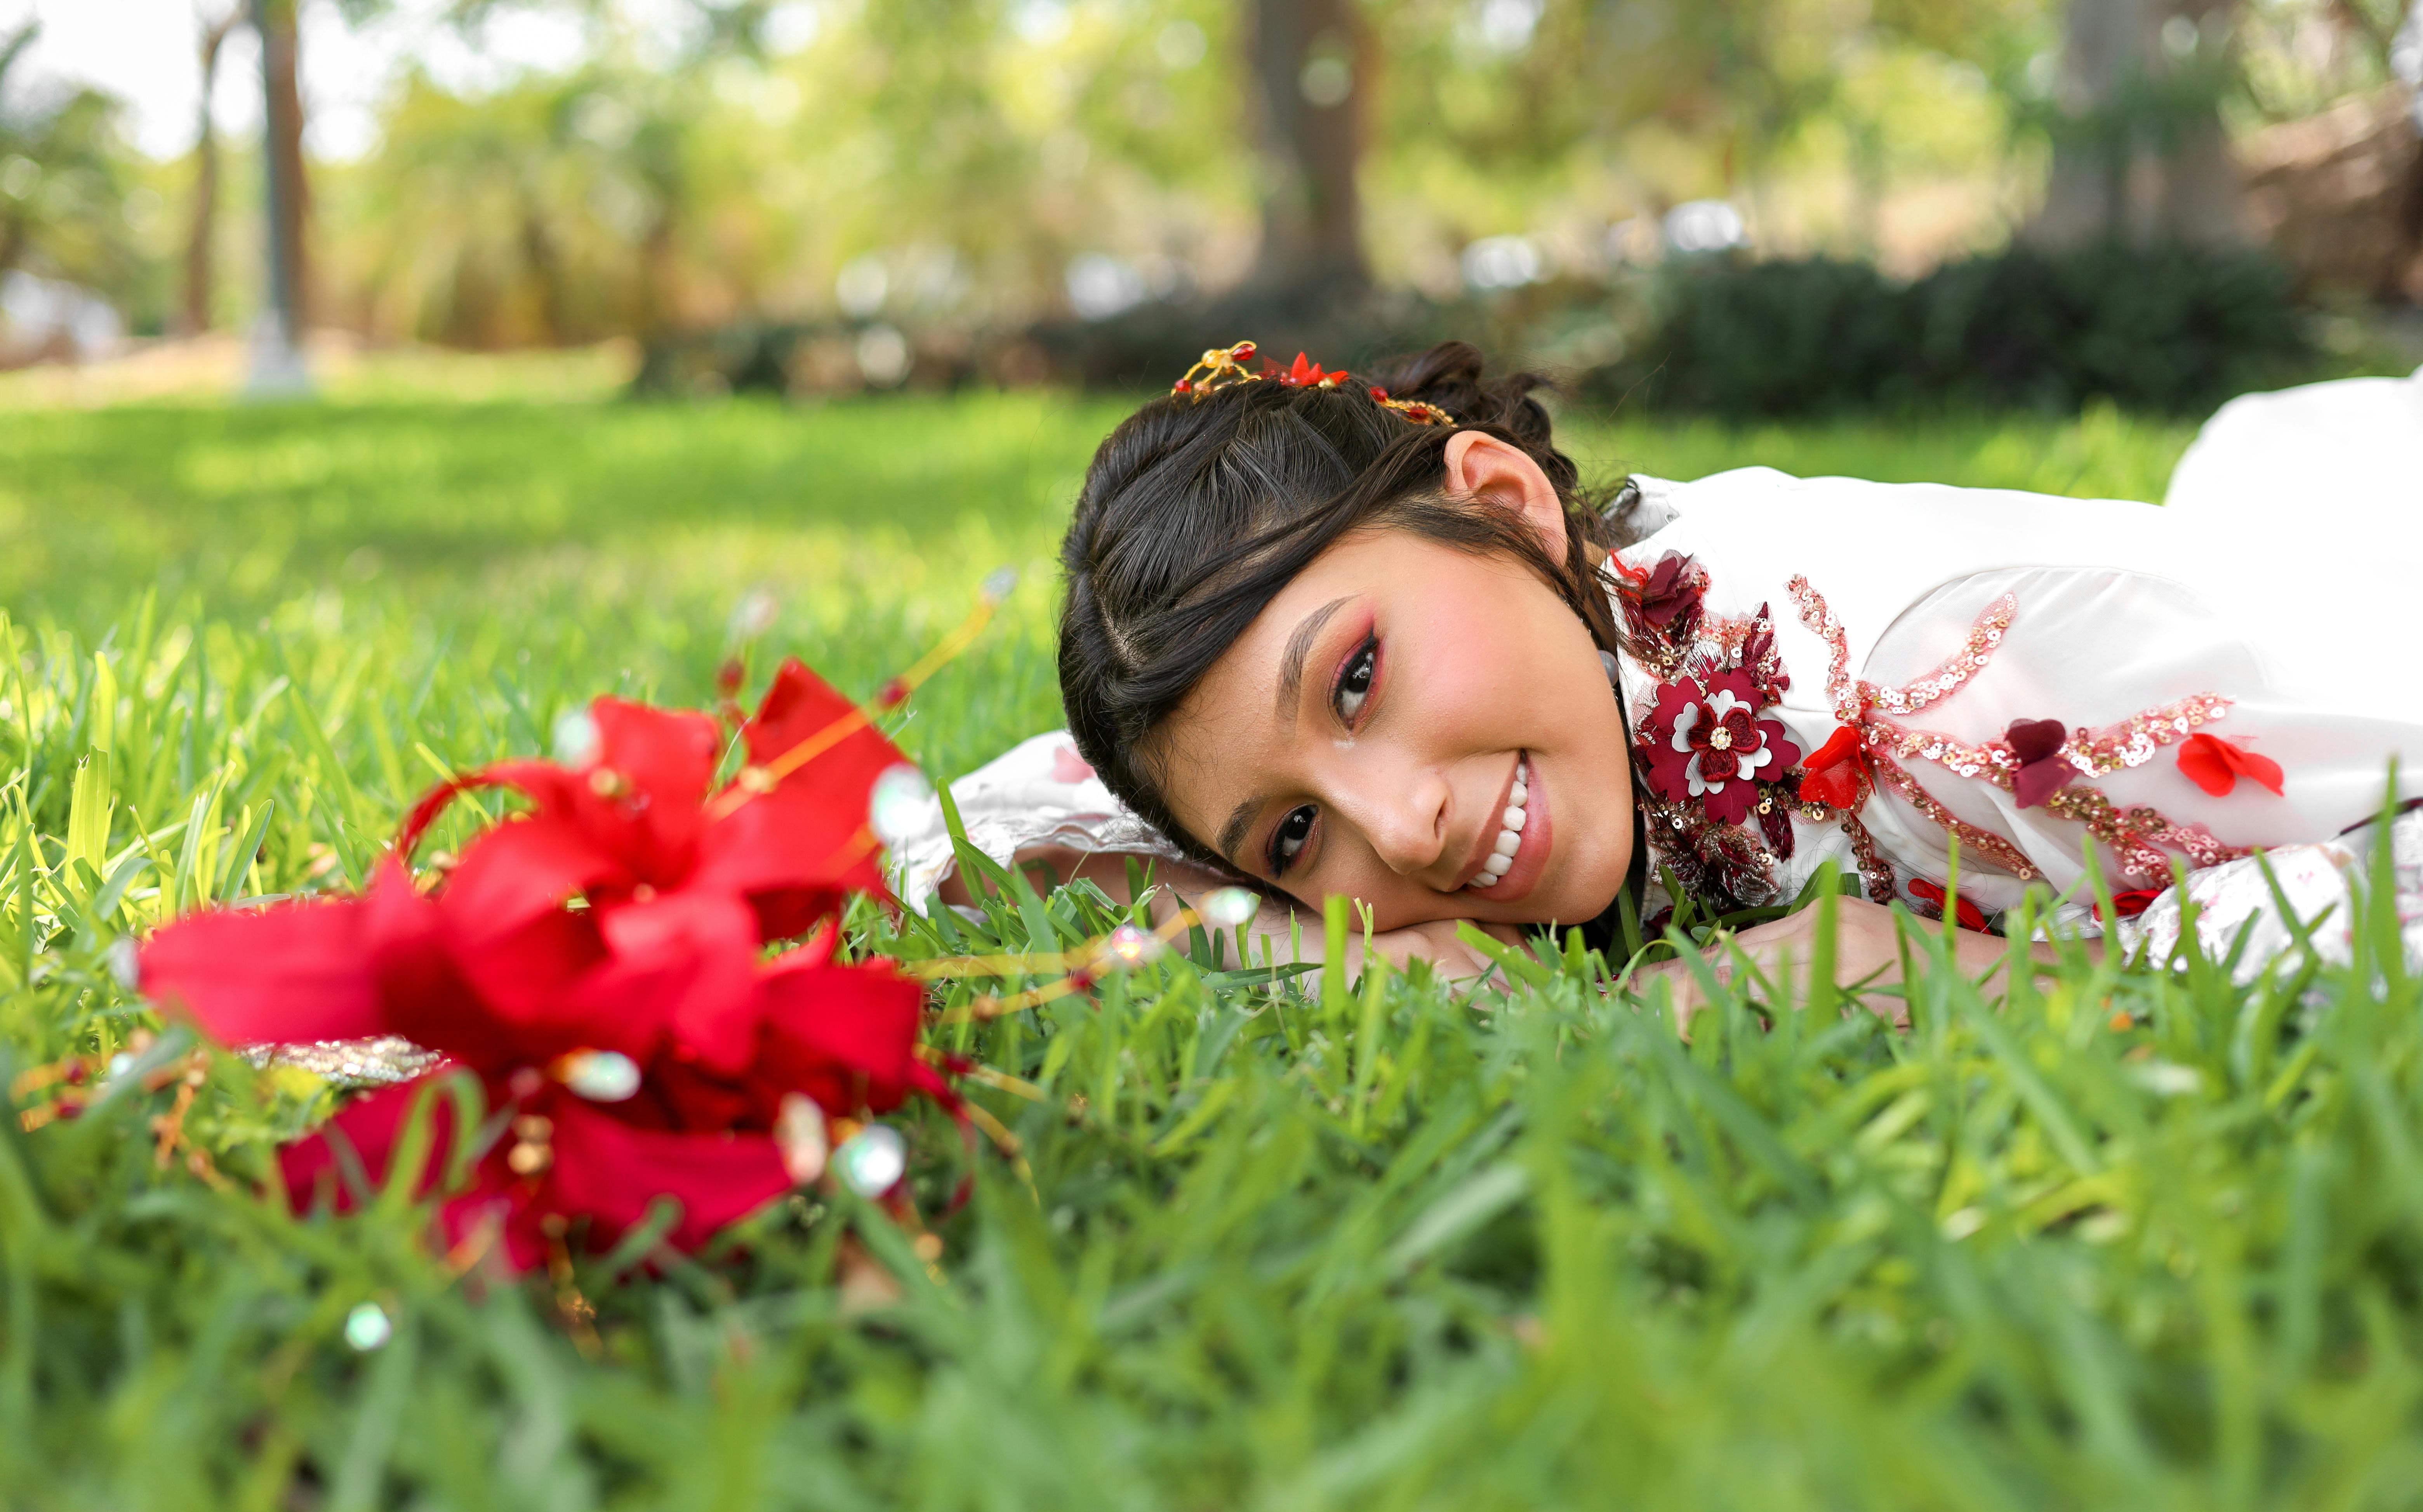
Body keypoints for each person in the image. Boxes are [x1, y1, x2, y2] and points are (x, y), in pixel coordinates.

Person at [886, 341, 2423, 1002]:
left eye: (1356, 681)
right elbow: (961, 828)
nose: (1402, 830)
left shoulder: (1961, 680)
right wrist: (1329, 948)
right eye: (1299, 835)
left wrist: (2001, 986)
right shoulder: (1575, 643)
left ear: (1502, 500)